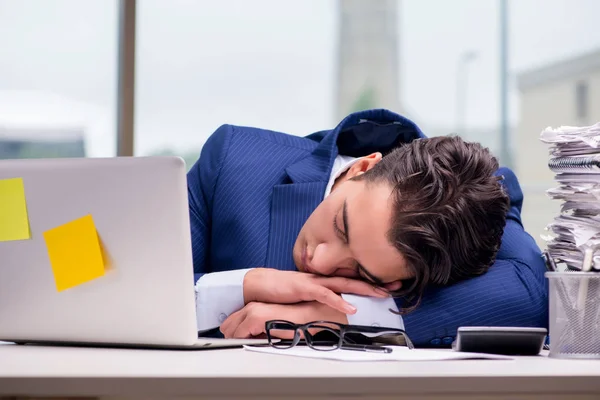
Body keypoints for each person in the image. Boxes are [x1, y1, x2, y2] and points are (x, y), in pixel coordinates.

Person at [188, 109, 548, 347]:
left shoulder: (477, 204)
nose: (320, 262)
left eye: (361, 271)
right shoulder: (234, 161)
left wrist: (331, 316)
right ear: (361, 168)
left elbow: (530, 298)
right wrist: (243, 285)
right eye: (340, 227)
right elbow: (135, 287)